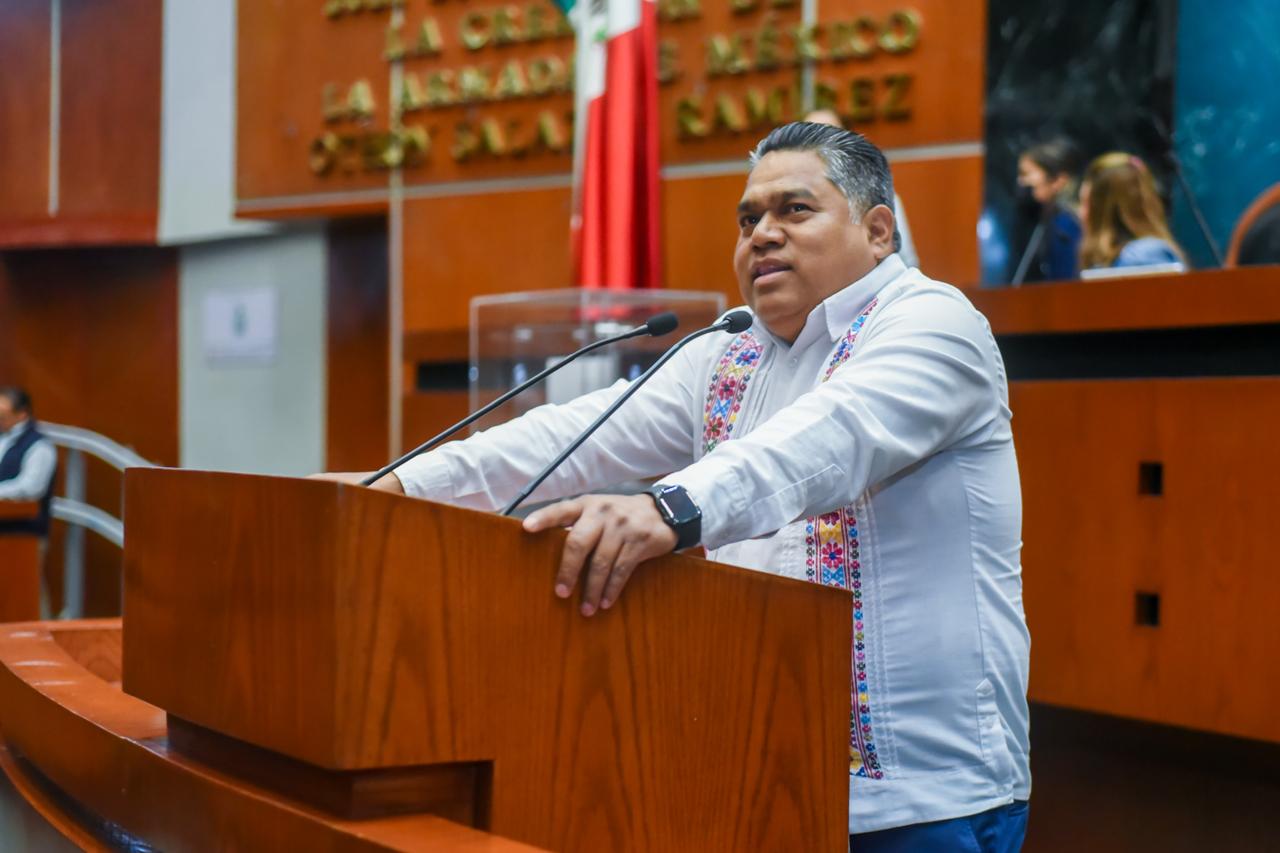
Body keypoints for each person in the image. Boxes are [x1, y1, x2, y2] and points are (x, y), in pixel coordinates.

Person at [329, 122, 1030, 850]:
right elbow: (570, 436)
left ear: (878, 231)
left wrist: (667, 508)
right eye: (748, 220)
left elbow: (829, 440)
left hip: (923, 798)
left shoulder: (935, 323)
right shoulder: (730, 354)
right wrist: (394, 487)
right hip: (759, 780)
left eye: (794, 210)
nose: (763, 234)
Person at [803, 109, 921, 270]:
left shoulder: (880, 196)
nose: (817, 146)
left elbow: (906, 260)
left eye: (827, 135)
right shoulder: (788, 202)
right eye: (809, 137)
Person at [1079, 152, 1186, 270]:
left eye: (1086, 204)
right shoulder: (1107, 258)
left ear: (1103, 211)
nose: (1080, 213)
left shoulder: (1142, 255)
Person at [1012, 138, 1083, 283]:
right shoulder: (1043, 221)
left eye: (1026, 174)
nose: (1020, 181)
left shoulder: (1067, 225)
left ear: (1057, 180)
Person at [0, 387, 58, 537]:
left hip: (22, 533)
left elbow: (32, 488)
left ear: (22, 414)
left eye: (3, 414)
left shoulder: (40, 446)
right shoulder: (2, 437)